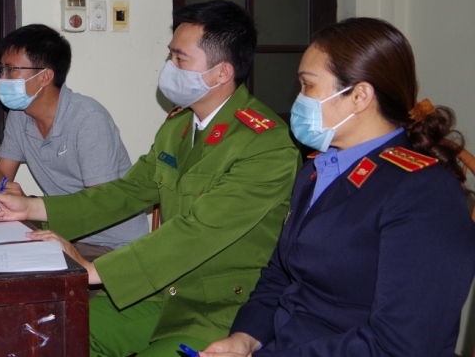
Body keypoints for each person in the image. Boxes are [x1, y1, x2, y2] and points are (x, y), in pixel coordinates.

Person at [0, 0, 301, 355]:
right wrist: (31, 208)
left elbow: (198, 232)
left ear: (221, 73)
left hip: (217, 312)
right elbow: (126, 192)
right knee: (46, 333)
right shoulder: (179, 127)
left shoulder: (266, 145)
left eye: (180, 59)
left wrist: (94, 271)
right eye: (170, 55)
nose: (169, 67)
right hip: (161, 294)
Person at [201, 18, 475, 357]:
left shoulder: (424, 193)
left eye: (308, 85)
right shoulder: (318, 168)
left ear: (359, 96)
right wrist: (245, 338)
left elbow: (403, 344)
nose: (299, 98)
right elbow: (282, 273)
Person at [0, 24, 146, 259]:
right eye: (2, 69)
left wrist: (29, 204)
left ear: (45, 76)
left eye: (11, 70)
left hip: (110, 246)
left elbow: (99, 204)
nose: (2, 78)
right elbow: (2, 175)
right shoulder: (20, 115)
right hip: (61, 234)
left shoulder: (88, 119)